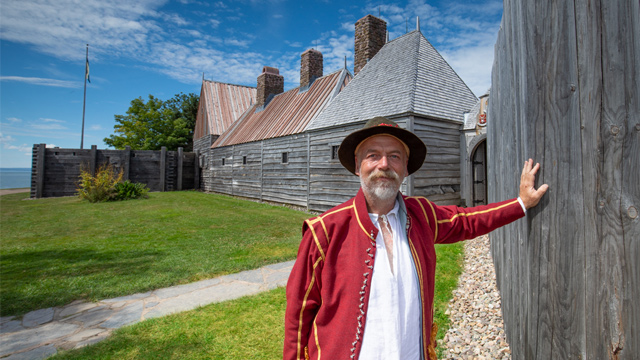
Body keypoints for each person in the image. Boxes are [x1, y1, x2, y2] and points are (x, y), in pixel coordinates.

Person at [283, 117, 548, 360]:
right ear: (357, 166)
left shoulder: (422, 215)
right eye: (373, 155)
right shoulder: (325, 230)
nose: (384, 165)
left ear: (405, 168)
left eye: (394, 156)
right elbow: (299, 311)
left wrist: (520, 203)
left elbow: (467, 220)